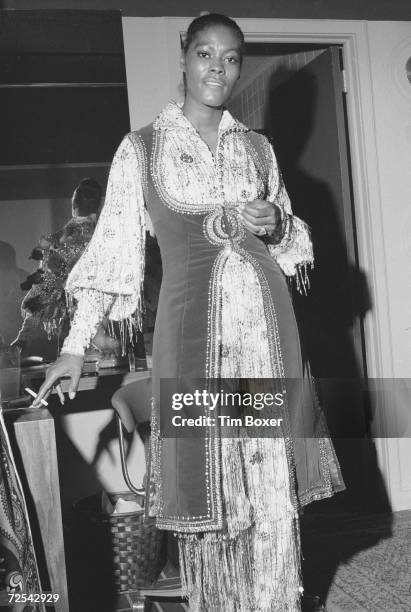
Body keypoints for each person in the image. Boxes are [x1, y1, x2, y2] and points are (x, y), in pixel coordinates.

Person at [32, 14, 345, 611]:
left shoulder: (258, 149)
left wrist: (276, 222)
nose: (218, 70)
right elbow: (113, 253)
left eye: (230, 59)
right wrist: (75, 345)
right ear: (184, 57)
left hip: (266, 332)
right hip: (191, 335)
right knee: (213, 486)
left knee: (265, 481)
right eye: (206, 54)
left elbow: (291, 243)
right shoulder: (141, 149)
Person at [11, 178, 102, 354]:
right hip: (96, 315)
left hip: (74, 320)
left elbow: (46, 285)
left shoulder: (66, 241)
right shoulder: (100, 236)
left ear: (74, 205)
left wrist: (23, 336)